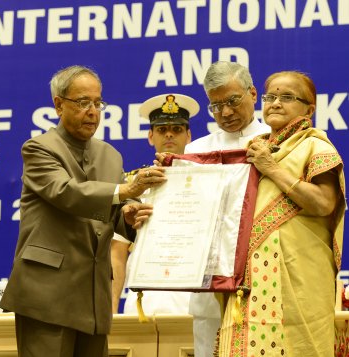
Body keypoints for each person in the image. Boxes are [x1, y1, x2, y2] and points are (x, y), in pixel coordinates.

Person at [0, 65, 165, 357]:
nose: (93, 111)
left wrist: (125, 216)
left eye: (98, 103)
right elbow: (66, 193)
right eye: (83, 102)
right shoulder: (38, 149)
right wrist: (126, 191)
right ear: (58, 104)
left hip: (94, 296)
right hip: (48, 294)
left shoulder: (110, 155)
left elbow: (109, 214)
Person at [217, 71, 345, 356]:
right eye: (270, 97)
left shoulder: (315, 145)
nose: (275, 103)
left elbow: (325, 203)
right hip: (251, 284)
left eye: (287, 97)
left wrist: (272, 169)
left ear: (309, 109)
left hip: (299, 282)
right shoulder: (255, 150)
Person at [183, 61, 270, 356]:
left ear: (253, 94)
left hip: (265, 281)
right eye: (216, 106)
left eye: (233, 101)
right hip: (211, 286)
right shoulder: (196, 151)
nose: (226, 113)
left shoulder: (279, 140)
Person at [111, 93, 199, 315]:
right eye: (161, 130)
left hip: (194, 293)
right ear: (150, 136)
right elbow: (117, 253)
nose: (169, 134)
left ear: (189, 135)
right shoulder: (133, 185)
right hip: (144, 297)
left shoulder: (205, 182)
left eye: (177, 129)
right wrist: (111, 312)